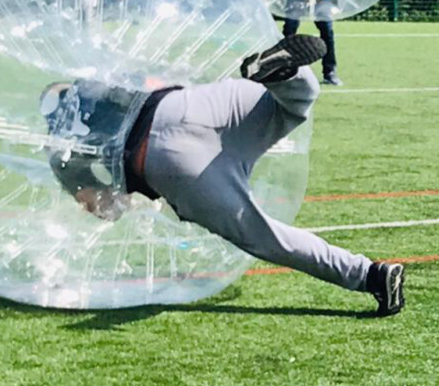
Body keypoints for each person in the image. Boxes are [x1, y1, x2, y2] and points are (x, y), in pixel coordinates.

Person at [41, 34, 404, 316]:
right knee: (293, 107)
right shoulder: (97, 81)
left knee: (264, 236)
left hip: (169, 164)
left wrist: (123, 196)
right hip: (196, 106)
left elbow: (107, 208)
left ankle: (371, 276)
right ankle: (287, 74)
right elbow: (160, 74)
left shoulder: (62, 154)